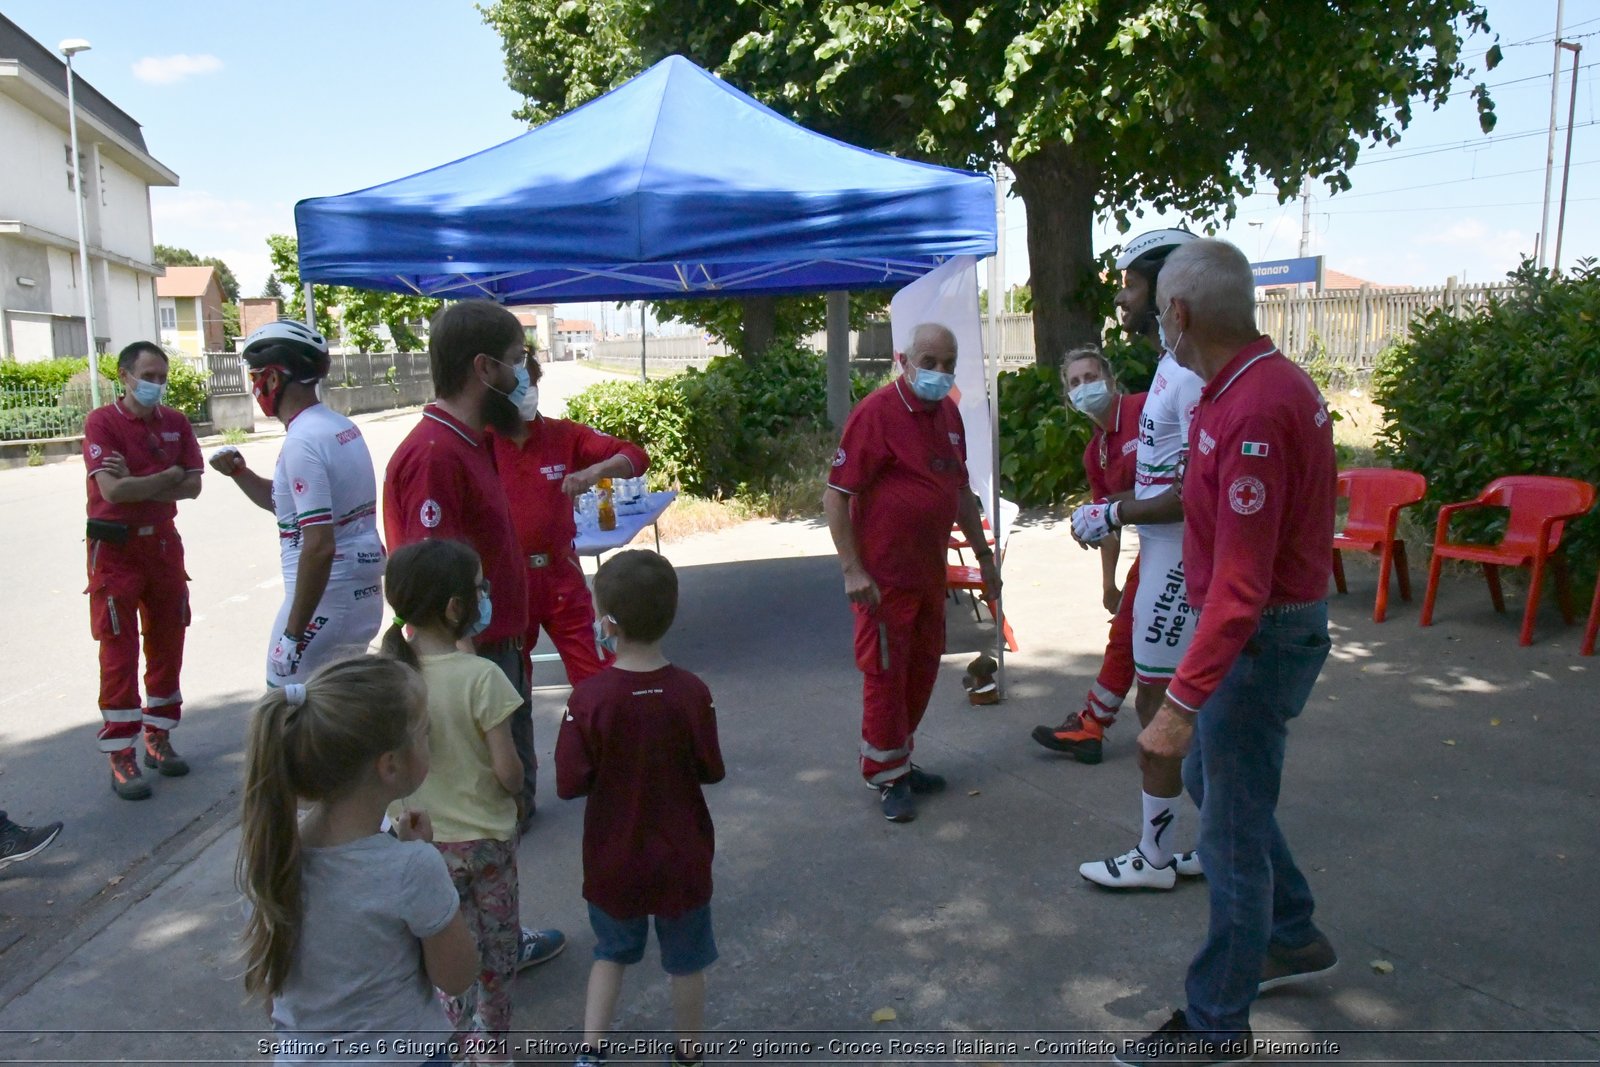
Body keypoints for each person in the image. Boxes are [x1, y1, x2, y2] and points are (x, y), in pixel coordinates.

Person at [1112, 239, 1337, 1067]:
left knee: (1230, 838)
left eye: (1149, 301)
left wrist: (1176, 707)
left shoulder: (1250, 408)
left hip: (1259, 635)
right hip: (1248, 629)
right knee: (1215, 784)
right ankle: (1293, 930)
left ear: (1178, 312)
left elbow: (1243, 586)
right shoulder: (1235, 387)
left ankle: (1214, 1025)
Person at [383, 299, 564, 965]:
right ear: (483, 367)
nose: (526, 376)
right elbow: (434, 585)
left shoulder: (471, 441)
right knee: (477, 814)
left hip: (493, 650)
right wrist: (468, 681)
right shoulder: (435, 455)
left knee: (499, 813)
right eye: (518, 362)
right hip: (473, 661)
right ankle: (474, 951)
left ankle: (494, 936)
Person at [235, 655, 479, 1066]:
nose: (429, 739)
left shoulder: (270, 858)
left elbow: (275, 994)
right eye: (423, 732)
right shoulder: (412, 868)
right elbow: (457, 976)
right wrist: (423, 863)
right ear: (390, 765)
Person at [1069, 229, 1207, 889]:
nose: (1120, 298)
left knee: (1161, 703)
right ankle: (1201, 840)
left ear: (1164, 288)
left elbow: (1188, 495)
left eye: (1129, 283)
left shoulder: (1188, 377)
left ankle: (1157, 856)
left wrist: (1112, 512)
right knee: (1175, 702)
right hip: (1158, 561)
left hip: (1175, 564)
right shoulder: (1168, 370)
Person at [823, 322, 1000, 823]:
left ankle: (898, 760)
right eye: (930, 362)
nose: (940, 373)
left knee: (921, 670)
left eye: (949, 363)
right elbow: (837, 496)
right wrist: (852, 569)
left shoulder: (948, 414)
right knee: (885, 675)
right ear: (903, 360)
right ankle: (885, 776)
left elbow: (961, 493)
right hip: (883, 581)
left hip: (928, 576)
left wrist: (985, 558)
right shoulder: (876, 414)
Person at [555, 550, 724, 1067]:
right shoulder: (693, 692)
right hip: (683, 854)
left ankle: (591, 1050)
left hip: (614, 856)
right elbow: (710, 768)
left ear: (607, 623)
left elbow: (568, 782)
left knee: (610, 953)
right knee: (686, 962)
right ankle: (689, 1051)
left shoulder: (588, 699)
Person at [380, 540, 543, 1066]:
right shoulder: (484, 678)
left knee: (445, 948)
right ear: (456, 608)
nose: (484, 597)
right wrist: (518, 793)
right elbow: (508, 769)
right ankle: (491, 1051)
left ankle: (453, 1043)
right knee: (497, 954)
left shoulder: (390, 678)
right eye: (479, 590)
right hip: (486, 842)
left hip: (420, 841)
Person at [211, 320, 385, 685]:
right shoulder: (338, 427)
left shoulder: (302, 442)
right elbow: (293, 508)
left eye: (256, 376)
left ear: (274, 380)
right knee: (337, 717)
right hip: (359, 596)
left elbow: (319, 546)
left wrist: (293, 634)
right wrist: (241, 474)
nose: (254, 387)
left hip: (325, 602)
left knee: (286, 718)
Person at [82, 340, 203, 800]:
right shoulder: (102, 422)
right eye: (147, 376)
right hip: (115, 550)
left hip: (163, 546)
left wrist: (144, 480)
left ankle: (158, 736)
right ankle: (121, 753)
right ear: (124, 376)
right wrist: (167, 476)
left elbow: (193, 486)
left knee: (169, 637)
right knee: (119, 648)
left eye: (161, 377)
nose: (155, 384)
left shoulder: (175, 423)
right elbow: (114, 493)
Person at [489, 351, 649, 686]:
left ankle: (601, 734)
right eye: (520, 384)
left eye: (532, 382)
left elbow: (635, 456)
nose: (528, 390)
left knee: (595, 676)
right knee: (513, 684)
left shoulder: (562, 434)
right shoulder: (482, 443)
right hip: (510, 579)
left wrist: (595, 471)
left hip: (562, 573)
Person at [1031, 345, 1146, 763]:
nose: (1085, 387)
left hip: (1195, 538)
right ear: (1068, 396)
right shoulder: (1095, 452)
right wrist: (1108, 583)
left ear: (1111, 381)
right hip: (1158, 548)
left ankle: (1096, 723)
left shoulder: (1144, 410)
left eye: (1091, 378)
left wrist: (1113, 507)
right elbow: (1108, 522)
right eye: (1075, 383)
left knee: (1145, 633)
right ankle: (1092, 723)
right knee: (1128, 629)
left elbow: (1176, 484)